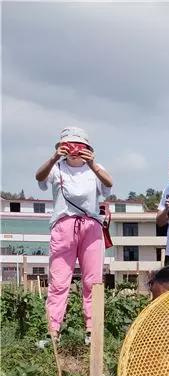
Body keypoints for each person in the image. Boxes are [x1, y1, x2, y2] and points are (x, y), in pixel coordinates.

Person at [34, 127, 113, 343]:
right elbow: (39, 177)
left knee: (93, 280)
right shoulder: (56, 167)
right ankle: (53, 331)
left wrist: (92, 163)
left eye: (79, 146)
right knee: (59, 280)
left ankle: (92, 329)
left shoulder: (94, 169)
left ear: (87, 148)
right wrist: (54, 157)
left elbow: (109, 184)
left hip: (91, 225)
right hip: (64, 224)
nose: (74, 150)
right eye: (68, 145)